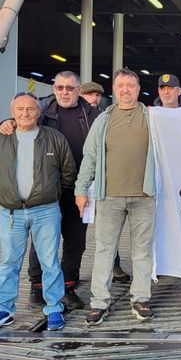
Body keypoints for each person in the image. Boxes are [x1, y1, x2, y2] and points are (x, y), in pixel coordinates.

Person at [0, 71, 101, 311]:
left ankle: (67, 286)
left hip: (81, 187)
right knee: (41, 243)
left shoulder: (93, 114)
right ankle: (37, 287)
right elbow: (21, 120)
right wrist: (5, 122)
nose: (64, 92)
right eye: (60, 87)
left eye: (70, 88)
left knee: (76, 239)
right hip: (44, 188)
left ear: (79, 90)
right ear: (54, 88)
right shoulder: (42, 108)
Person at [75, 68, 157, 325]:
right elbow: (90, 157)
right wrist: (80, 189)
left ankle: (140, 299)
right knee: (104, 250)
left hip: (144, 196)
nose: (125, 90)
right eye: (120, 85)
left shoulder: (152, 117)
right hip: (108, 196)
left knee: (142, 251)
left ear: (137, 87)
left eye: (130, 85)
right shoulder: (103, 120)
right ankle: (99, 303)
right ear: (114, 89)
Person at [0, 92, 76, 330]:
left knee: (50, 261)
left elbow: (68, 173)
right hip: (10, 212)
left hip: (46, 211)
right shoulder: (3, 137)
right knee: (8, 262)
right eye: (20, 109)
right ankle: (4, 308)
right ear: (12, 112)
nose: (25, 113)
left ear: (39, 112)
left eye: (30, 109)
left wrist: (49, 193)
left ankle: (54, 307)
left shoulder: (54, 138)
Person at [80, 81, 131, 284]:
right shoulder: (65, 114)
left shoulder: (105, 116)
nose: (94, 98)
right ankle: (69, 276)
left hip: (102, 181)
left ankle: (114, 266)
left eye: (97, 95)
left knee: (107, 231)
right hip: (76, 179)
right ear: (80, 94)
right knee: (74, 233)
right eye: (89, 95)